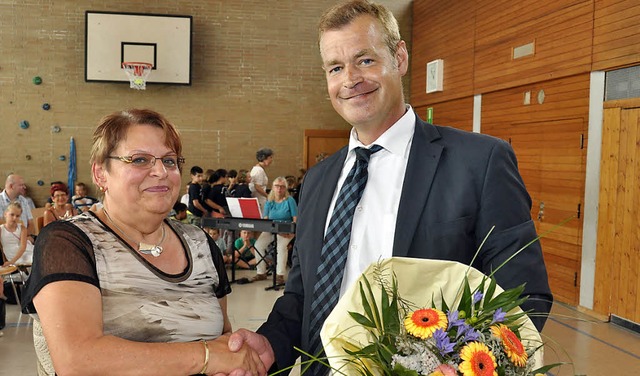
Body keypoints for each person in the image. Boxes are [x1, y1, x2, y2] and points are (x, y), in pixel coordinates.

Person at [227, 1, 553, 374]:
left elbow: (525, 295)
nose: (349, 79)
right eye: (335, 67)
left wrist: (470, 367)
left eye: (365, 60)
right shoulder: (319, 180)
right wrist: (272, 343)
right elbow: (303, 297)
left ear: (399, 58)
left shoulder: (479, 162)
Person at [20, 109, 265, 375]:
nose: (161, 171)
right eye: (139, 159)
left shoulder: (200, 244)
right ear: (101, 173)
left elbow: (222, 340)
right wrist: (205, 356)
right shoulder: (69, 242)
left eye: (170, 161)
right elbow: (78, 359)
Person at [251, 177, 297, 285]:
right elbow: (266, 218)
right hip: (271, 229)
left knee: (281, 248)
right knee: (258, 245)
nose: (279, 189)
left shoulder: (290, 200)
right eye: (277, 186)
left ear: (285, 188)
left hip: (286, 230)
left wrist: (293, 232)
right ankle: (261, 272)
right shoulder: (269, 201)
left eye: (282, 187)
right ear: (272, 187)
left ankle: (280, 275)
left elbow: (295, 218)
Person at [1, 202, 33, 266]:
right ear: (5, 214)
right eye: (12, 215)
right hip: (12, 254)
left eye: (17, 216)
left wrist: (12, 261)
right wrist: (11, 262)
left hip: (25, 252)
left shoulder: (22, 228)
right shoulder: (1, 229)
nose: (15, 218)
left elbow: (23, 247)